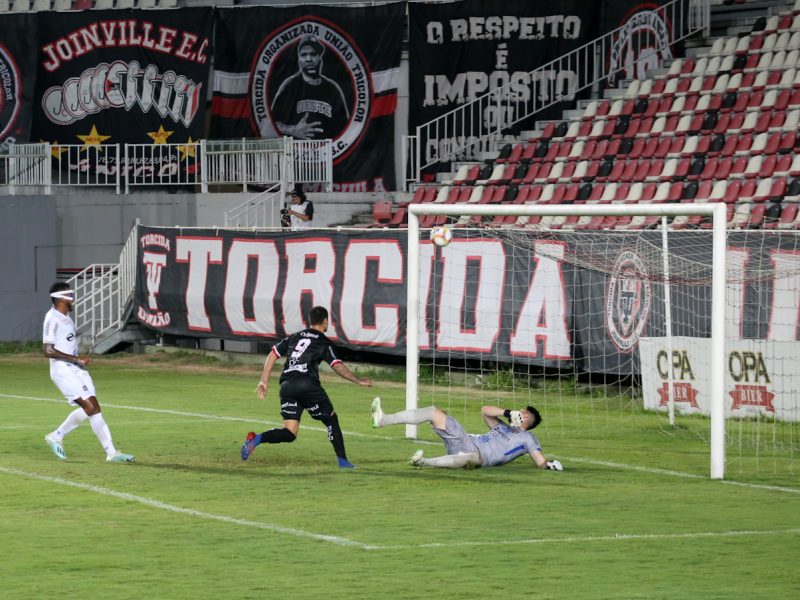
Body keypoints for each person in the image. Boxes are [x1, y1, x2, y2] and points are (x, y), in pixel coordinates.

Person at [241, 306, 372, 468]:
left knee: (289, 433)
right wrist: (357, 380)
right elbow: (336, 365)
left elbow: (273, 354)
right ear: (325, 321)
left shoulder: (294, 337)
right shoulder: (324, 341)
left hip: (287, 386)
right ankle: (343, 461)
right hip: (307, 385)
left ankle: (256, 439)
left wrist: (264, 381)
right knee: (331, 419)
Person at [42, 282, 134, 463]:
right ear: (61, 298)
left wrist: (78, 360)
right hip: (63, 370)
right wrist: (75, 359)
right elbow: (48, 351)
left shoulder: (67, 318)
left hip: (76, 369)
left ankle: (56, 435)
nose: (73, 298)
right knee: (92, 407)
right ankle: (111, 452)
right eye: (71, 295)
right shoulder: (51, 318)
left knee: (89, 408)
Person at [370, 398, 563, 471]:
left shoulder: (527, 438)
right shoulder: (504, 426)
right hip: (465, 440)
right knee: (434, 412)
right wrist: (507, 412)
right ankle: (383, 419)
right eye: (520, 410)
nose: (520, 412)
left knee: (471, 458)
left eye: (523, 413)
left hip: (479, 457)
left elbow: (539, 461)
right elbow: (485, 410)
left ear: (527, 422)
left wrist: (550, 465)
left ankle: (423, 462)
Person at [270, 34, 350, 141]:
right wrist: (293, 130)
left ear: (320, 59)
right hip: (296, 153)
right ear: (299, 60)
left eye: (313, 54)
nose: (309, 59)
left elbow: (346, 128)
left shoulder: (332, 89)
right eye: (304, 54)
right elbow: (271, 123)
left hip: (327, 153)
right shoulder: (290, 85)